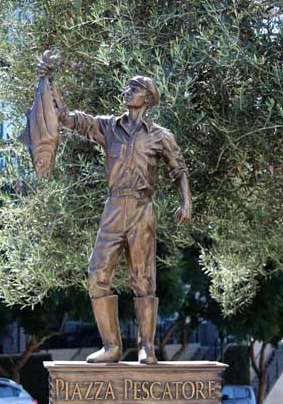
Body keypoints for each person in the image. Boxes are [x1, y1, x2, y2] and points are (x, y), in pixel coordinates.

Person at [37, 63, 192, 364]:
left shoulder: (161, 136)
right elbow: (69, 119)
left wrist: (186, 202)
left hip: (142, 210)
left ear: (147, 98)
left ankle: (146, 346)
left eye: (134, 88)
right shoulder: (109, 126)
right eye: (127, 86)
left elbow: (179, 170)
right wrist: (48, 81)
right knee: (97, 276)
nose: (127, 91)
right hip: (113, 208)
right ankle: (112, 347)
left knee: (144, 279)